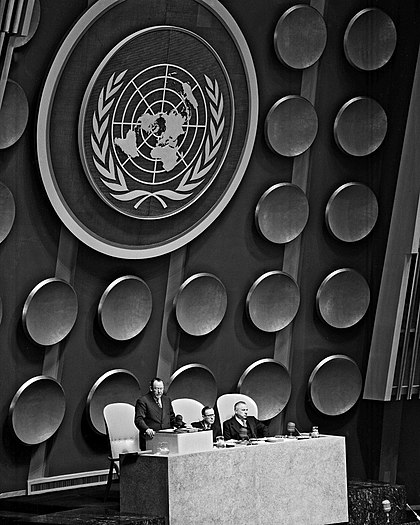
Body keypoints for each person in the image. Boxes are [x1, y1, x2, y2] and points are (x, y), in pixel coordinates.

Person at [134, 377, 176, 450]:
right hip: (151, 439)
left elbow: (172, 417)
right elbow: (139, 419)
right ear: (151, 388)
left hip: (167, 439)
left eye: (161, 389)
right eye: (157, 389)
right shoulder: (143, 401)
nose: (159, 391)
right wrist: (147, 429)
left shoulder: (167, 400)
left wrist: (182, 425)